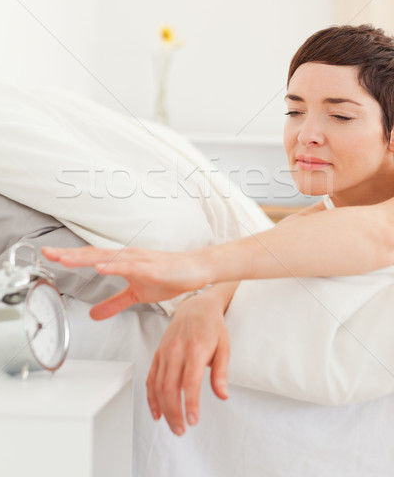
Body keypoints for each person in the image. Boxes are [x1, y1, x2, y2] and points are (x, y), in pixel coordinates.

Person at [43, 24, 394, 435]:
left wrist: (198, 266)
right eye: (295, 111)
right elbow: (296, 235)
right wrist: (205, 302)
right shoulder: (334, 210)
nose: (306, 135)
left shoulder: (370, 221)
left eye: (339, 115)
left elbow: (376, 232)